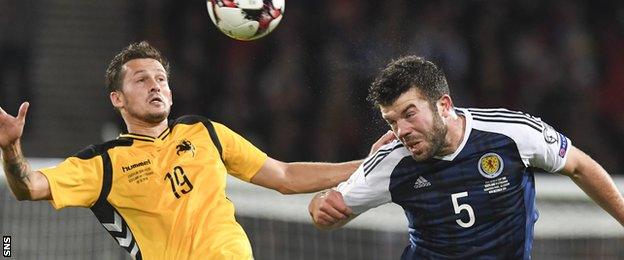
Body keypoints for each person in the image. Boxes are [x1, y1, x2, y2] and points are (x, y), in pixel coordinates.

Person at [0, 41, 393, 260]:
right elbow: (28, 187)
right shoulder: (103, 163)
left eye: (161, 79)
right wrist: (11, 148)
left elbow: (286, 177)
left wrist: (367, 163)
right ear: (117, 99)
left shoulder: (205, 132)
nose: (155, 86)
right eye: (142, 80)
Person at [308, 55, 624, 259]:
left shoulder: (511, 133)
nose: (401, 130)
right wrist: (320, 206)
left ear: (443, 105)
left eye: (409, 114)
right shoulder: (393, 162)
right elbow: (329, 212)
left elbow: (580, 166)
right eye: (392, 121)